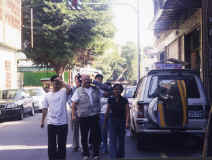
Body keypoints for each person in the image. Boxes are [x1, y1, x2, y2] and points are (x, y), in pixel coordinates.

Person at [40, 75, 71, 160]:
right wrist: (42, 121)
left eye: (58, 81)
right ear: (51, 83)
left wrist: (61, 81)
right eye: (55, 81)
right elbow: (45, 108)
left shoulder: (64, 91)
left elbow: (69, 88)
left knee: (62, 145)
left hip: (63, 123)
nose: (57, 83)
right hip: (51, 123)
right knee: (51, 146)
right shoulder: (47, 95)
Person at [71, 74, 101, 160]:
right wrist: (73, 115)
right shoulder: (78, 91)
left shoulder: (95, 89)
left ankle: (96, 154)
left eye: (88, 80)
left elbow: (106, 90)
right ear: (81, 81)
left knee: (95, 136)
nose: (87, 81)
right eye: (85, 80)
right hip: (83, 117)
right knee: (84, 136)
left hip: (94, 116)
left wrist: (95, 83)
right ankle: (86, 154)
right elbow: (73, 104)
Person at [104, 83, 130, 159]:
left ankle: (121, 155)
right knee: (112, 140)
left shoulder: (124, 100)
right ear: (113, 90)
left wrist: (127, 122)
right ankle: (113, 157)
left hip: (122, 121)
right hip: (112, 121)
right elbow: (107, 111)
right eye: (115, 89)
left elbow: (128, 112)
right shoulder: (110, 99)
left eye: (118, 89)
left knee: (121, 140)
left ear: (121, 91)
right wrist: (105, 121)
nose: (117, 91)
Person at [67, 74, 81, 152]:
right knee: (75, 129)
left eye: (79, 80)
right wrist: (72, 106)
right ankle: (75, 145)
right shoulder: (72, 89)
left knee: (84, 130)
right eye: (77, 80)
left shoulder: (84, 88)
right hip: (74, 112)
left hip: (83, 112)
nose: (78, 81)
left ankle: (84, 145)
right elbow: (69, 100)